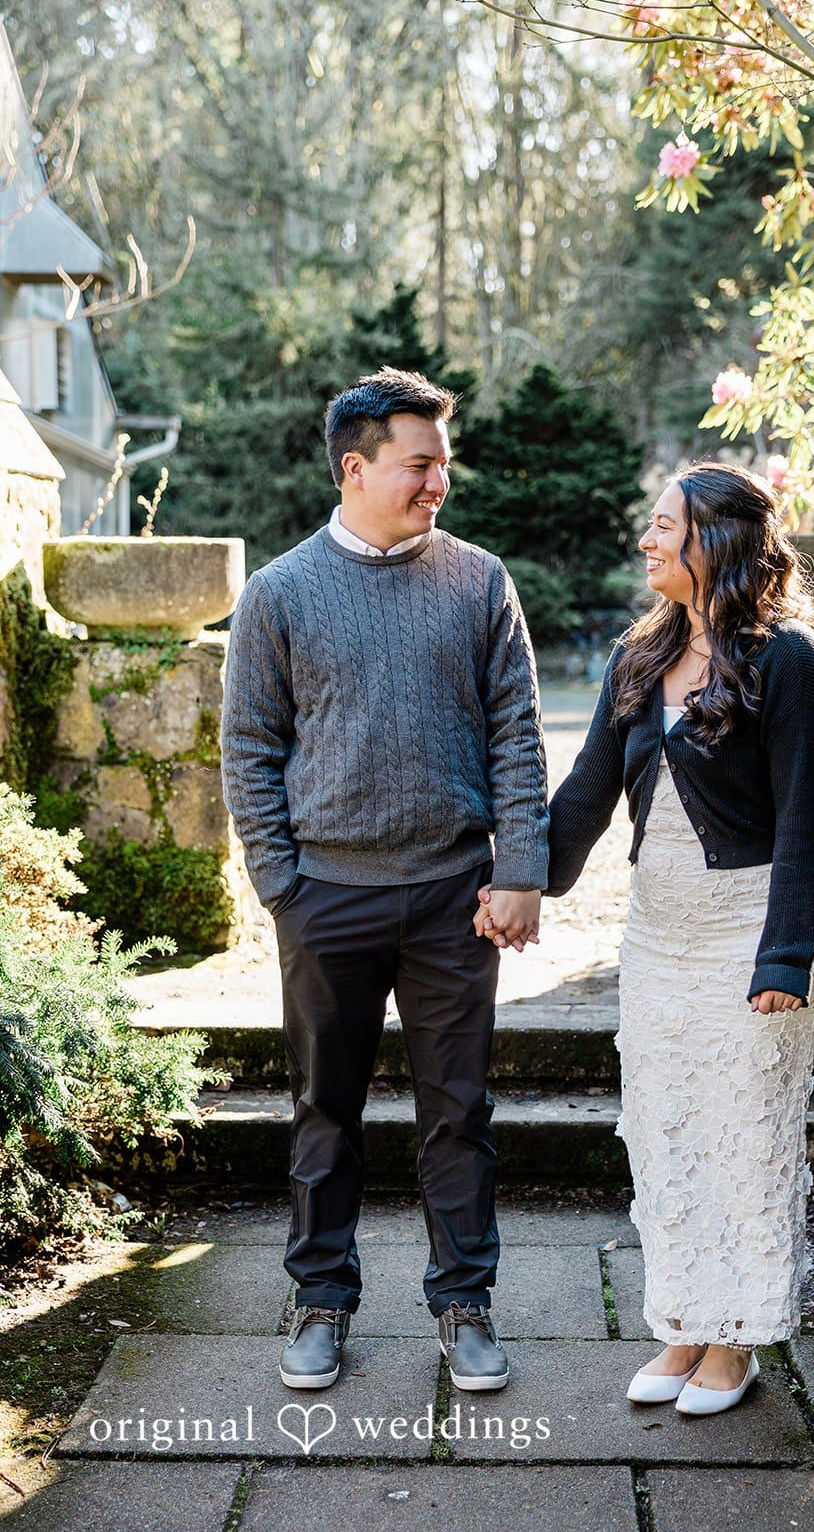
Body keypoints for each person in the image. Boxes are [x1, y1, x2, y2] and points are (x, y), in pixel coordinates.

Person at [221, 366, 548, 1393]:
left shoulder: (479, 581)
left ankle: (465, 1306)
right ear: (355, 468)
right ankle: (321, 1301)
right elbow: (248, 749)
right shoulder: (278, 593)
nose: (436, 481)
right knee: (325, 1110)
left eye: (441, 463)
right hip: (326, 897)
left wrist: (520, 868)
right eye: (418, 463)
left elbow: (517, 733)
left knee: (459, 1112)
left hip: (455, 895)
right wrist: (282, 885)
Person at [537, 461, 814, 1416]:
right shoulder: (641, 654)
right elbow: (586, 791)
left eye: (665, 525)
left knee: (743, 1132)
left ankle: (737, 1338)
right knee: (666, 1134)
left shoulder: (790, 662)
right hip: (657, 934)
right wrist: (519, 883)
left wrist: (783, 955)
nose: (647, 539)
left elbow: (803, 824)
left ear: (719, 540)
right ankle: (683, 1322)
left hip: (747, 927)